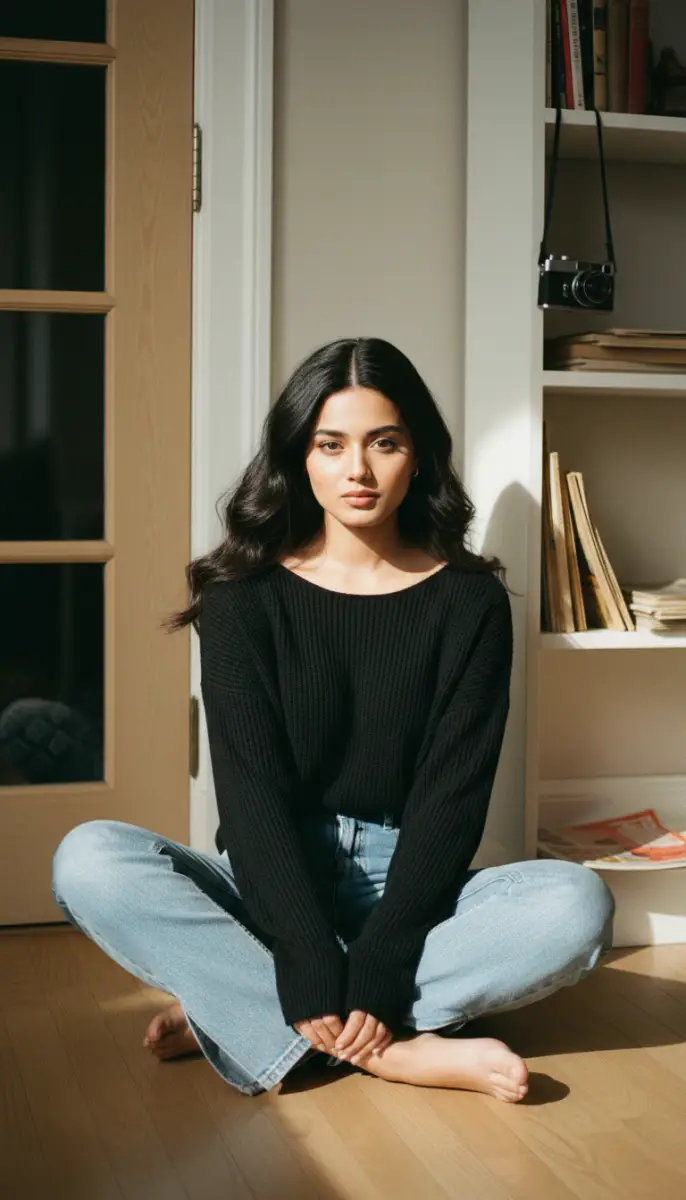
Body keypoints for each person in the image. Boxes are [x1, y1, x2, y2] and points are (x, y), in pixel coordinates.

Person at [51, 337, 615, 1103]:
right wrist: (303, 947)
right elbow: (249, 800)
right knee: (88, 858)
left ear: (418, 456)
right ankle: (391, 1049)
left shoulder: (469, 603)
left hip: (409, 879)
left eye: (385, 442)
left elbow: (453, 800)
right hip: (268, 876)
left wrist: (380, 954)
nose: (358, 470)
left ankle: (245, 1010)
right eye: (330, 444)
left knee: (576, 904)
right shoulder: (241, 597)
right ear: (298, 458)